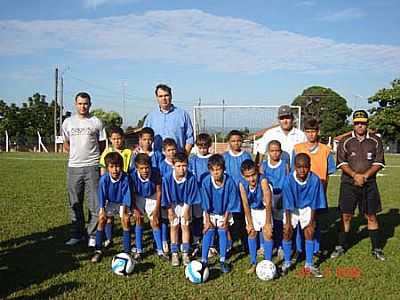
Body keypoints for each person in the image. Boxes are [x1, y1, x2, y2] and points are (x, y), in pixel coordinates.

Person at [331, 110, 386, 261]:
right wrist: (355, 175)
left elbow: (379, 162)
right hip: (348, 183)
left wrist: (364, 176)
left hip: (369, 184)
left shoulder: (375, 140)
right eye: (357, 123)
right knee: (346, 215)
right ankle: (341, 245)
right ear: (353, 124)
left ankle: (376, 248)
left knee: (371, 215)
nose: (360, 125)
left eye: (363, 122)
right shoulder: (345, 140)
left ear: (367, 123)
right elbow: (341, 162)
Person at [62, 92, 106, 247]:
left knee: (94, 203)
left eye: (86, 103)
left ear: (90, 104)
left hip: (92, 167)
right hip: (74, 167)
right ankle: (76, 234)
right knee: (75, 202)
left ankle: (92, 234)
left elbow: (102, 145)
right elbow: (66, 143)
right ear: (75, 104)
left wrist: (92, 159)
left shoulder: (96, 122)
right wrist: (75, 155)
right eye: (80, 103)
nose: (83, 106)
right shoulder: (68, 122)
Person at [292, 118, 336, 258]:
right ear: (305, 132)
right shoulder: (298, 148)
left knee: (315, 221)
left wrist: (324, 189)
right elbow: (294, 170)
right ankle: (299, 249)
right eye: (308, 131)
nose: (311, 134)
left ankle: (315, 249)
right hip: (300, 191)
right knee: (299, 221)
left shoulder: (326, 150)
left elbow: (328, 172)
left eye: (314, 131)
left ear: (318, 132)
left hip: (318, 192)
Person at [281, 153, 326, 278]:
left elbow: (314, 203)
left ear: (310, 166)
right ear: (294, 167)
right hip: (293, 208)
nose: (302, 170)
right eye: (299, 167)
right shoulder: (288, 180)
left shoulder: (315, 180)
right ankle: (287, 262)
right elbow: (288, 204)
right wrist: (288, 223)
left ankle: (309, 264)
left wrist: (311, 221)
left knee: (310, 231)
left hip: (307, 208)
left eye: (305, 166)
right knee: (287, 231)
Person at [200, 154, 241, 273]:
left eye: (219, 169)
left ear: (223, 169)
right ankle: (204, 260)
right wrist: (207, 221)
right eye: (213, 170)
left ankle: (223, 260)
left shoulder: (229, 181)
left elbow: (231, 202)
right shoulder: (206, 182)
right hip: (210, 213)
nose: (216, 172)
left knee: (223, 232)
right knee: (208, 232)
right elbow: (205, 203)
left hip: (224, 212)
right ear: (210, 170)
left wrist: (226, 219)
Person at [91, 152, 132, 262]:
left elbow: (126, 195)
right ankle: (98, 249)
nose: (115, 170)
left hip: (122, 203)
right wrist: (102, 209)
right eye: (112, 167)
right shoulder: (104, 179)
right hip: (109, 202)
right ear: (107, 167)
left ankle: (127, 251)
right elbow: (102, 195)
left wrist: (124, 211)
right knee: (102, 219)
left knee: (126, 220)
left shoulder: (125, 178)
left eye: (117, 166)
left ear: (122, 166)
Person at [161, 152, 200, 266]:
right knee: (174, 226)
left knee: (185, 226)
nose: (182, 169)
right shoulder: (167, 178)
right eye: (178, 166)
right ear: (173, 165)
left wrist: (187, 210)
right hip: (172, 205)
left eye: (184, 165)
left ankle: (185, 253)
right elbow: (166, 196)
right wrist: (170, 211)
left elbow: (191, 194)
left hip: (185, 204)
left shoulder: (191, 177)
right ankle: (174, 253)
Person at [130, 153, 169, 261]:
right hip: (138, 196)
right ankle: (139, 250)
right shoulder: (132, 175)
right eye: (141, 168)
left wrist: (157, 209)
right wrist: (135, 209)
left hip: (152, 196)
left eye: (147, 167)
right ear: (137, 168)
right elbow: (131, 193)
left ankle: (160, 251)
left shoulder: (155, 173)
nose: (145, 171)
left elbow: (159, 191)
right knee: (139, 221)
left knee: (155, 222)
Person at [239, 159, 273, 274]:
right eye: (248, 176)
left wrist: (268, 222)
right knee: (251, 232)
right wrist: (249, 223)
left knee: (267, 233)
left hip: (264, 209)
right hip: (253, 210)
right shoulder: (242, 184)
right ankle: (253, 263)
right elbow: (245, 204)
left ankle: (268, 263)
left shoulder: (263, 181)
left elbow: (268, 202)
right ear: (243, 176)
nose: (251, 179)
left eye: (253, 175)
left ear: (257, 172)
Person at [223, 130, 252, 253]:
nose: (236, 143)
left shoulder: (246, 156)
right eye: (233, 141)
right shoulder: (224, 157)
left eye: (238, 141)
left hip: (244, 193)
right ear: (229, 142)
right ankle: (229, 244)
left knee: (243, 218)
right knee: (231, 220)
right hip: (230, 194)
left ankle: (246, 244)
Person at [144, 84, 194, 154]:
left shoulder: (182, 115)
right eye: (160, 96)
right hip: (156, 161)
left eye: (166, 95)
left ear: (171, 96)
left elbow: (190, 139)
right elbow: (144, 138)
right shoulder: (151, 117)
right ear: (157, 98)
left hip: (177, 160)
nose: (164, 98)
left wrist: (184, 156)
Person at [261, 140, 289, 258]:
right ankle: (264, 246)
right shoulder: (264, 165)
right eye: (272, 151)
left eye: (277, 151)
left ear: (281, 152)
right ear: (268, 152)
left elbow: (288, 181)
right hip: (267, 197)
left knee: (278, 223)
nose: (275, 153)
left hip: (281, 197)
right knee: (266, 222)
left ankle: (280, 246)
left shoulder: (285, 165)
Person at [188, 133, 213, 256]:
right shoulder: (193, 159)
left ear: (209, 146)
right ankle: (197, 241)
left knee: (210, 217)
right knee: (197, 217)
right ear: (197, 146)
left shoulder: (212, 159)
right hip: (197, 194)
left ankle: (211, 244)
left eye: (205, 146)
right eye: (200, 146)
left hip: (210, 193)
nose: (203, 149)